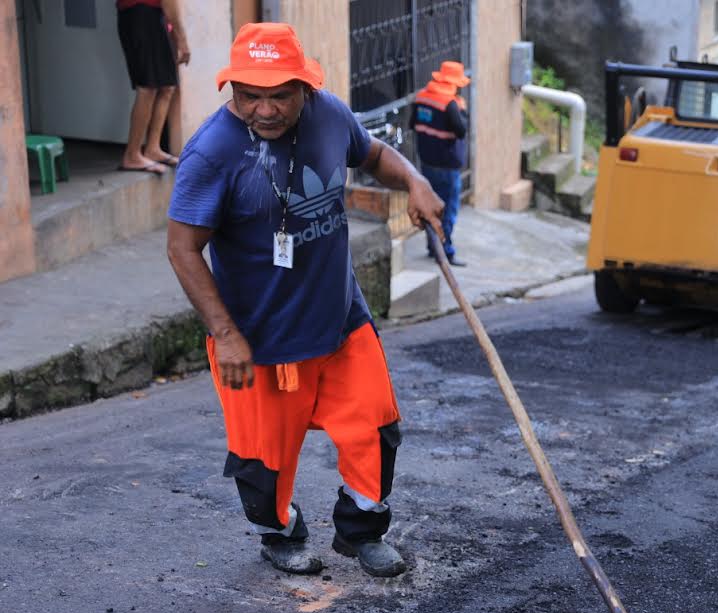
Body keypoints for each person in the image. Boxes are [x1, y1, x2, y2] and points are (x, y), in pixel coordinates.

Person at [166, 23, 445, 578]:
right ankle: (280, 531)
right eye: (250, 95)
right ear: (233, 90)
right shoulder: (211, 154)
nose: (265, 110)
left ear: (306, 88)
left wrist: (414, 180)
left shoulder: (330, 115)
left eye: (279, 95)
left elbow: (374, 153)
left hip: (339, 317)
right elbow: (182, 249)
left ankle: (361, 530)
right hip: (258, 337)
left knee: (374, 428)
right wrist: (226, 334)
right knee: (264, 460)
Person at [116, 0, 190, 175]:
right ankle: (132, 155)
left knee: (167, 86)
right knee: (148, 87)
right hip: (141, 14)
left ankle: (153, 148)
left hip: (154, 17)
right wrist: (182, 39)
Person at [413, 61, 471, 266]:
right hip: (447, 168)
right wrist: (461, 111)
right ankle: (445, 252)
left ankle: (433, 247)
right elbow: (461, 130)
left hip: (427, 163)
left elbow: (413, 123)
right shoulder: (451, 104)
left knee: (430, 207)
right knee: (447, 211)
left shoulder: (421, 97)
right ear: (455, 83)